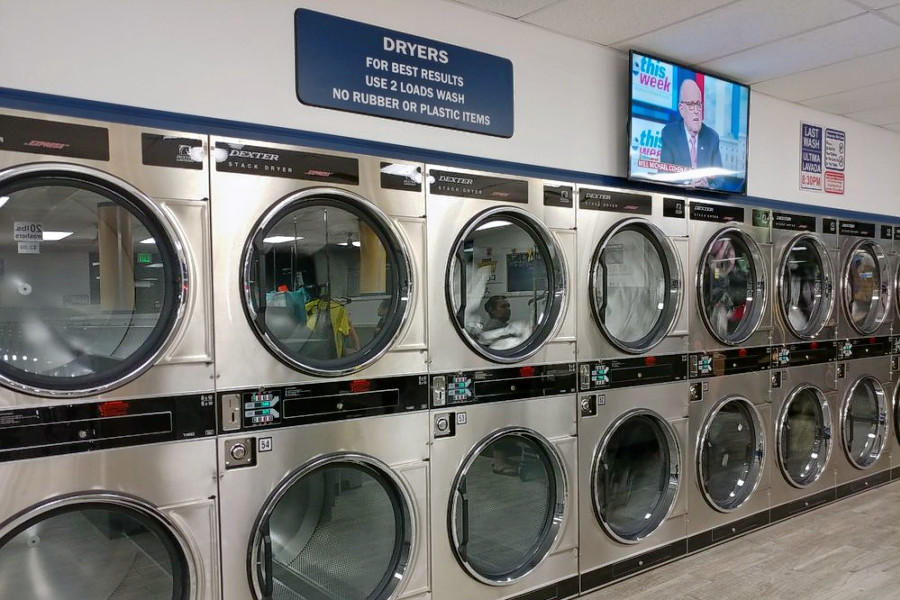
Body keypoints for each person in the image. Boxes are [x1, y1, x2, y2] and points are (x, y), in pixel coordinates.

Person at [660, 78, 722, 189]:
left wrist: (709, 186)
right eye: (691, 104)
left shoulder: (712, 137)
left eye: (698, 104)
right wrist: (688, 184)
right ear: (681, 109)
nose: (696, 110)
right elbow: (663, 175)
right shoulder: (669, 134)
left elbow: (721, 180)